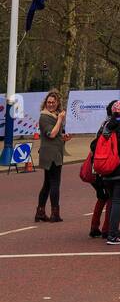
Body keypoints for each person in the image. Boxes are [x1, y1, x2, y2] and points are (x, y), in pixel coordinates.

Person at [94, 101, 120, 245]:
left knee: (112, 200)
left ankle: (111, 230)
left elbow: (94, 145)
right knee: (118, 202)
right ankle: (112, 234)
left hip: (106, 170)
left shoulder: (105, 128)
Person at [35, 90, 66, 223]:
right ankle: (55, 213)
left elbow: (57, 136)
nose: (51, 104)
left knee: (47, 184)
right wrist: (59, 119)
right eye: (49, 102)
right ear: (45, 103)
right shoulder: (45, 117)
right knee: (54, 183)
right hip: (51, 154)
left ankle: (40, 212)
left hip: (54, 152)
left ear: (57, 103)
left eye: (53, 102)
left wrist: (64, 138)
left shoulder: (53, 115)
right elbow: (51, 134)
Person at [87, 100, 116, 239]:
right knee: (111, 198)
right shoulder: (112, 126)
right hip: (107, 166)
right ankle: (106, 228)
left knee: (101, 197)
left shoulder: (103, 125)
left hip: (97, 166)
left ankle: (95, 226)